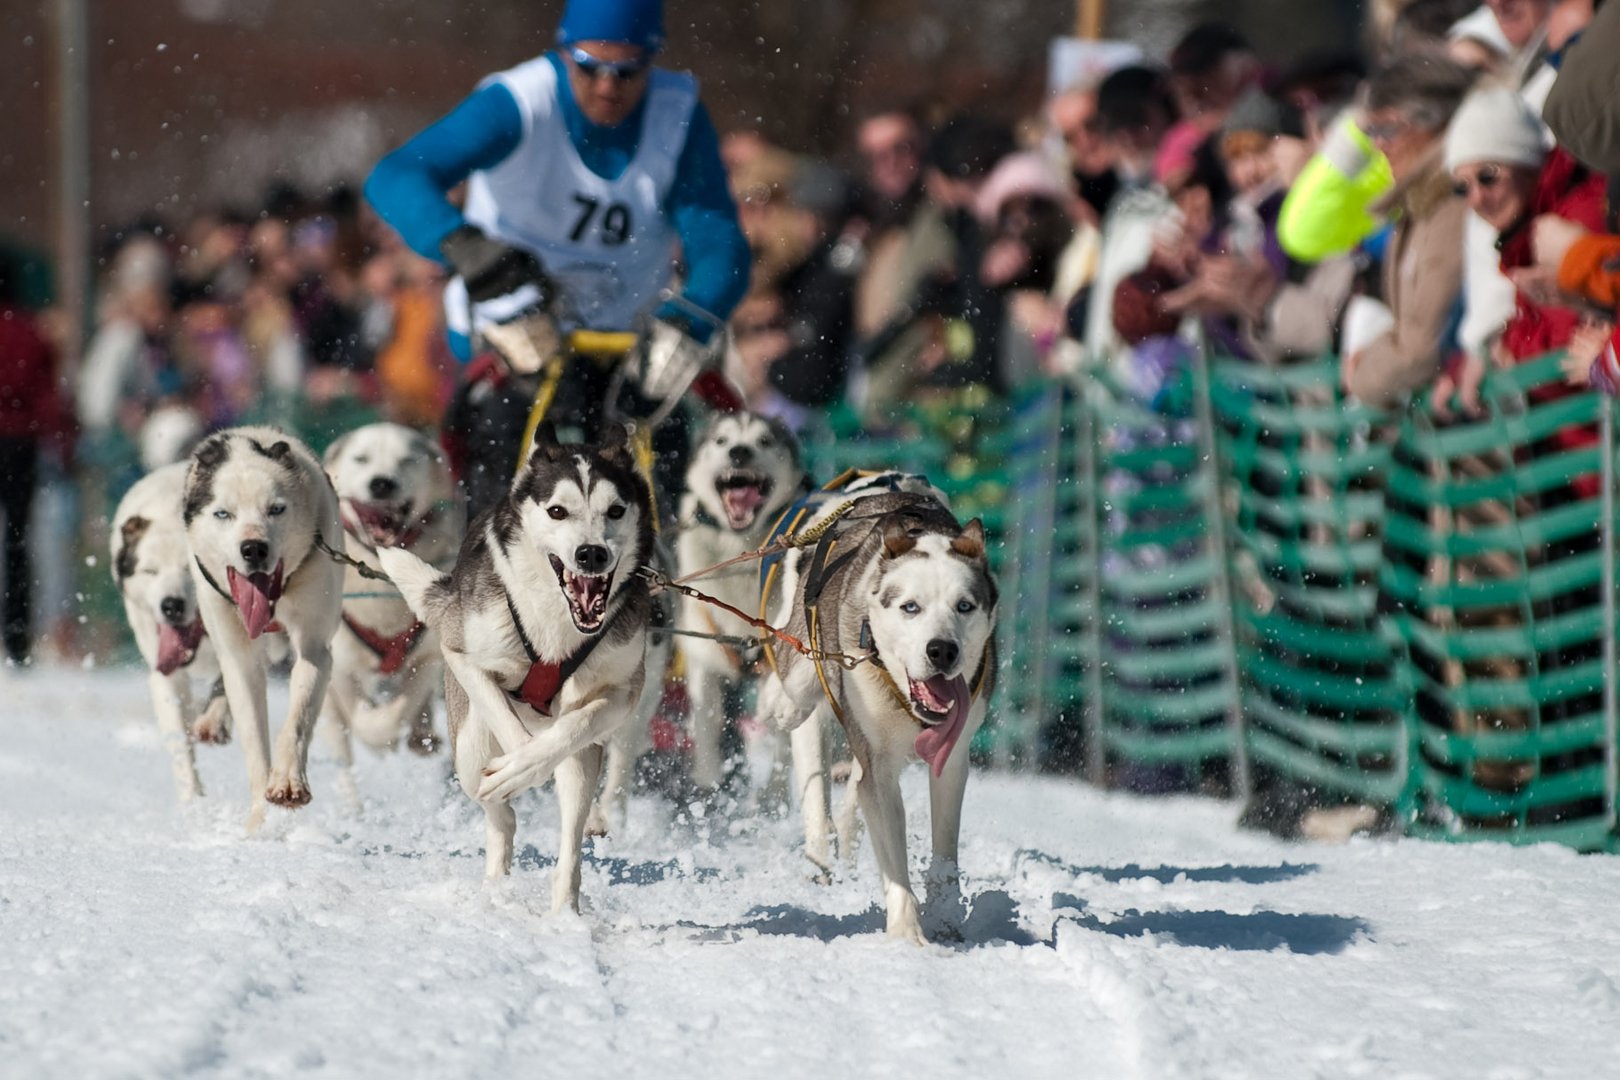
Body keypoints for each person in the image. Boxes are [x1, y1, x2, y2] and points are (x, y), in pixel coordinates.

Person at [364, 0, 750, 514]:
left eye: (628, 72)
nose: (608, 87)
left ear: (652, 60)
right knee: (506, 495)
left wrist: (692, 316)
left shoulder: (676, 112)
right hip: (513, 334)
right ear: (565, 53)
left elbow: (718, 239)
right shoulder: (521, 101)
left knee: (653, 491)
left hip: (627, 345)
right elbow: (395, 177)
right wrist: (466, 248)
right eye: (590, 69)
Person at [1340, 56, 1475, 408]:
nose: (1377, 145)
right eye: (1369, 133)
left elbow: (1420, 349)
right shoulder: (1421, 203)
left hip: (1482, 441)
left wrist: (1362, 377)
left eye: (1386, 129)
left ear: (1434, 122)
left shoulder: (1452, 204)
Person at [0, 257, 62, 666]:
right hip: (19, 443)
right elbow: (46, 394)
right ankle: (17, 636)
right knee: (18, 540)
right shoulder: (31, 333)